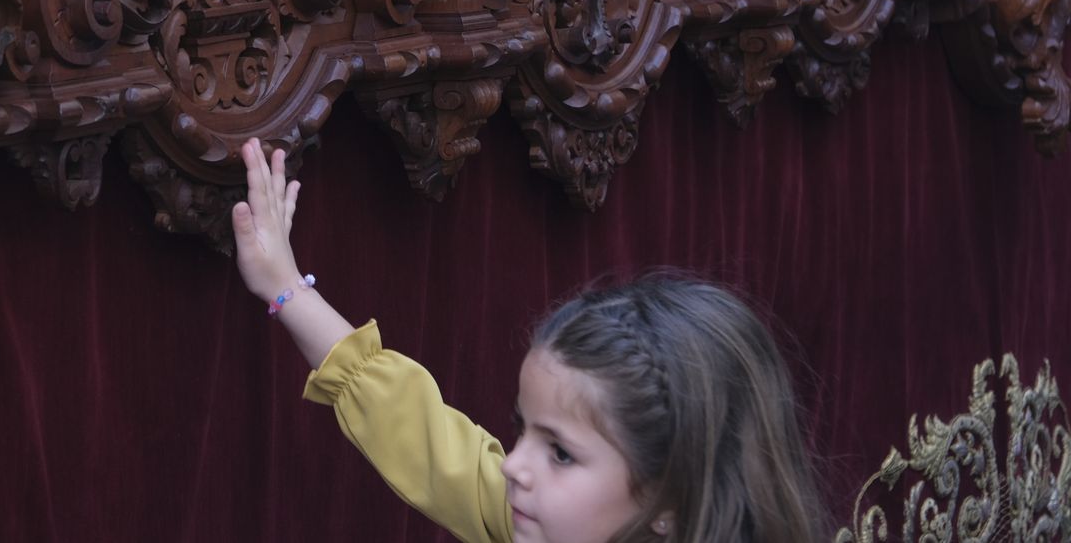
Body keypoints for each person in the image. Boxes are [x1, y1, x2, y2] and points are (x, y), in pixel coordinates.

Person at [231, 139, 824, 543]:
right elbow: (426, 435)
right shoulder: (546, 519)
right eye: (523, 432)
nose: (513, 465)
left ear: (671, 500)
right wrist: (287, 290)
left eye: (560, 452)